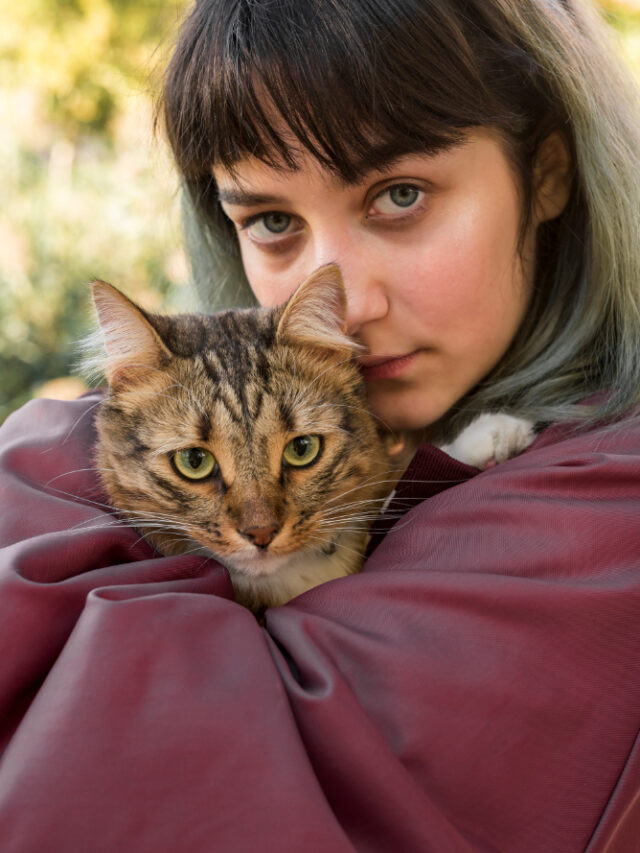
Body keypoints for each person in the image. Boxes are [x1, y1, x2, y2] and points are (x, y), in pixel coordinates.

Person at [0, 0, 639, 850]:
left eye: (399, 195)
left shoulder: (604, 498)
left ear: (549, 171)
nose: (348, 302)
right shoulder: (284, 400)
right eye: (270, 221)